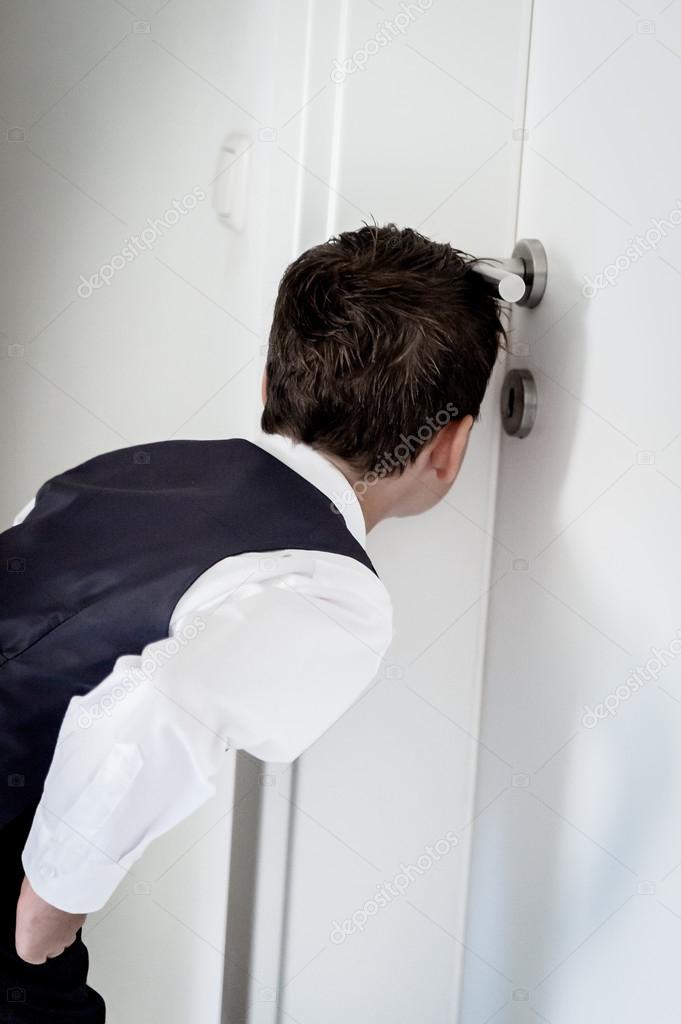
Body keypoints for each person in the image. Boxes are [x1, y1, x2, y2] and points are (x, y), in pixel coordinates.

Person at [0, 223, 506, 1020]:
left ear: (270, 384)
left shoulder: (127, 470)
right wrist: (47, 912)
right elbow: (151, 712)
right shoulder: (328, 587)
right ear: (449, 448)